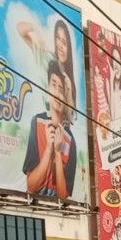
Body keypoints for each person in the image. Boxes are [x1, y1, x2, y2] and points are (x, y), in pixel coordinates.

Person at [21, 61, 79, 199]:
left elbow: (63, 196)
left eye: (61, 90)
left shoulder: (70, 140)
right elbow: (31, 186)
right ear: (48, 88)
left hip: (57, 210)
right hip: (32, 206)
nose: (57, 95)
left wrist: (57, 153)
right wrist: (48, 148)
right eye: (54, 85)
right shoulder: (37, 122)